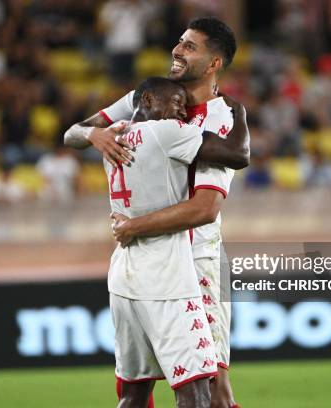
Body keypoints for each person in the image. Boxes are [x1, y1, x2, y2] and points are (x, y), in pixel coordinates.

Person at [64, 17, 247, 408]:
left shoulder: (219, 118)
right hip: (152, 259)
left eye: (190, 46)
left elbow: (207, 207)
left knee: (211, 390)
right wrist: (93, 133)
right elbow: (72, 133)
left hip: (197, 261)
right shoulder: (147, 98)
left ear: (215, 63)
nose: (177, 50)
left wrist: (133, 227)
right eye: (179, 42)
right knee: (155, 388)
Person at [101, 77, 246, 408]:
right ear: (149, 101)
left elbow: (79, 133)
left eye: (184, 107)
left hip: (124, 273)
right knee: (198, 393)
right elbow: (237, 155)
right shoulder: (166, 133)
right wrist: (240, 115)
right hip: (167, 276)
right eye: (176, 106)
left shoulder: (112, 139)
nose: (181, 114)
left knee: (133, 394)